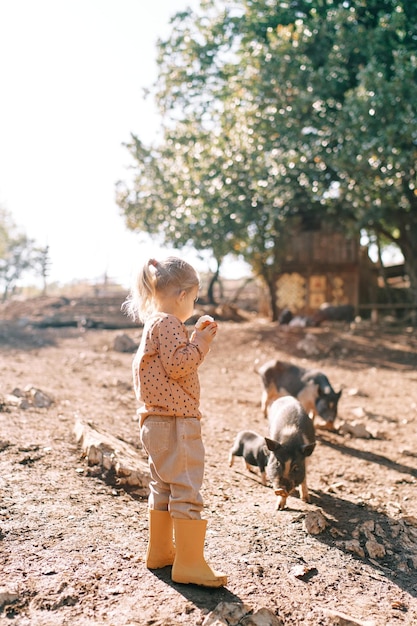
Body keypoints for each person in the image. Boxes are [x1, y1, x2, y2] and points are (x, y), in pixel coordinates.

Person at [124, 256, 227, 588]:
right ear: (182, 295)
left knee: (163, 485)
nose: (194, 306)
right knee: (186, 488)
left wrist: (193, 339)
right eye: (194, 299)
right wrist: (201, 343)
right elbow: (178, 366)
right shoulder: (169, 323)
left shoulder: (153, 324)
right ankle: (189, 563)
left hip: (155, 422)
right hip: (177, 422)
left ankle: (160, 551)